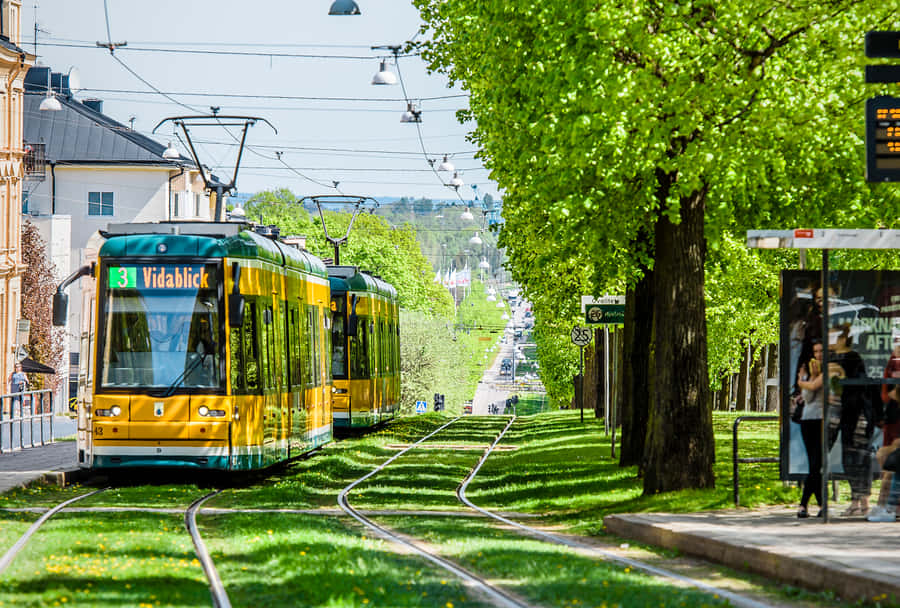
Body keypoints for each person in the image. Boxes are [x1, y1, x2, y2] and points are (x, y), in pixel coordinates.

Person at [830, 324, 883, 517]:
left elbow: (857, 386)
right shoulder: (832, 358)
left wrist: (840, 376)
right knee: (848, 457)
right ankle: (855, 499)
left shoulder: (852, 358)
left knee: (861, 456)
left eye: (833, 337)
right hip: (843, 415)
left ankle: (864, 501)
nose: (830, 341)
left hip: (858, 414)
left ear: (843, 338)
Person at [796, 340, 825, 518]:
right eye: (816, 351)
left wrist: (801, 381)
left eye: (821, 351)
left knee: (816, 465)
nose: (819, 355)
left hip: (822, 419)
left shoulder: (830, 370)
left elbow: (814, 388)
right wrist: (808, 378)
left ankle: (803, 504)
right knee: (815, 465)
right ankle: (822, 505)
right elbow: (808, 397)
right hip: (808, 420)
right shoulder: (810, 373)